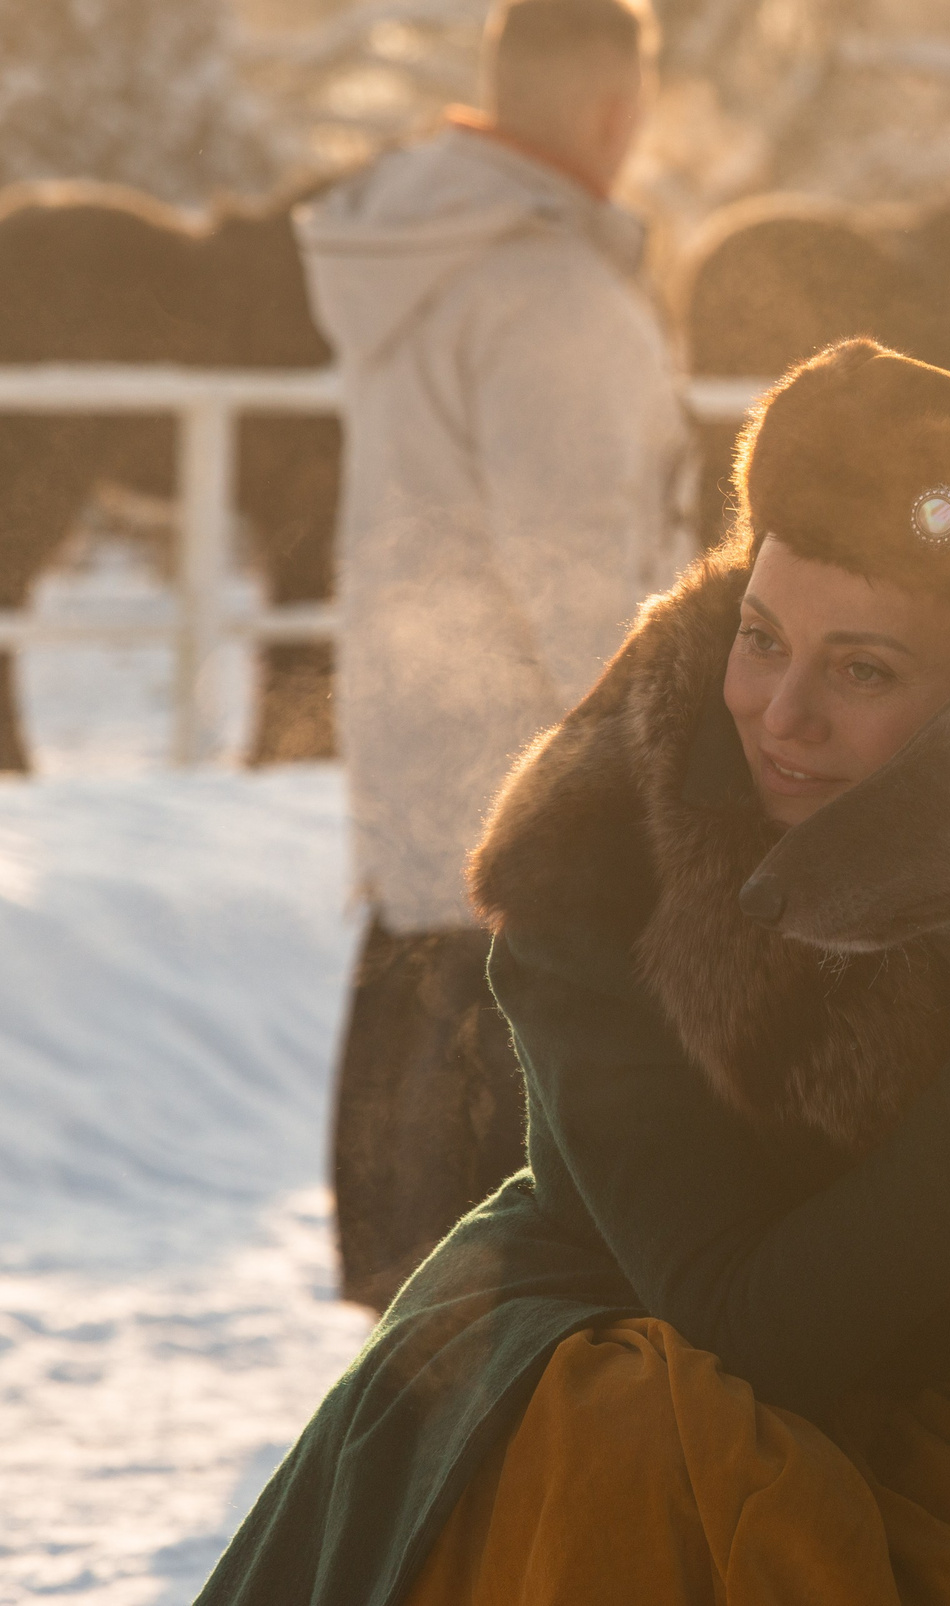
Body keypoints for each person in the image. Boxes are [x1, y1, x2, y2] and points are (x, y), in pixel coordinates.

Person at [198, 341, 950, 1603]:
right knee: (641, 1447)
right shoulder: (598, 854)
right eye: (760, 638)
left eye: (862, 670)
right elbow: (748, 1329)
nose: (779, 713)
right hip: (627, 1392)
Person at [296, 0, 695, 1308]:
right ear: (617, 108)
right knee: (533, 1292)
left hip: (424, 805)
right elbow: (586, 591)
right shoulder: (550, 293)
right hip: (542, 842)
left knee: (422, 1281)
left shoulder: (420, 261)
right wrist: (679, 781)